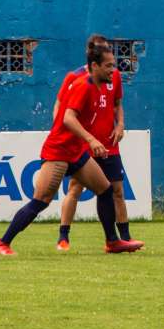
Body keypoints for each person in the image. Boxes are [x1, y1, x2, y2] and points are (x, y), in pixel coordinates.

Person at [0, 45, 144, 256]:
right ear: (95, 66)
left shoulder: (99, 86)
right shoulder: (83, 85)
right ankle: (2, 243)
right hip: (59, 151)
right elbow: (67, 118)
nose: (113, 70)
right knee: (41, 201)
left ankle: (112, 241)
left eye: (113, 65)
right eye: (108, 66)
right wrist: (91, 140)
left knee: (106, 190)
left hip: (76, 151)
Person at [53, 35, 132, 251]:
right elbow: (60, 108)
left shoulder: (114, 75)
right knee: (75, 188)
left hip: (109, 143)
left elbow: (117, 104)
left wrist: (120, 125)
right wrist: (68, 135)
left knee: (117, 190)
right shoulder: (75, 77)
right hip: (84, 145)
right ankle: (63, 237)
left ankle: (125, 237)